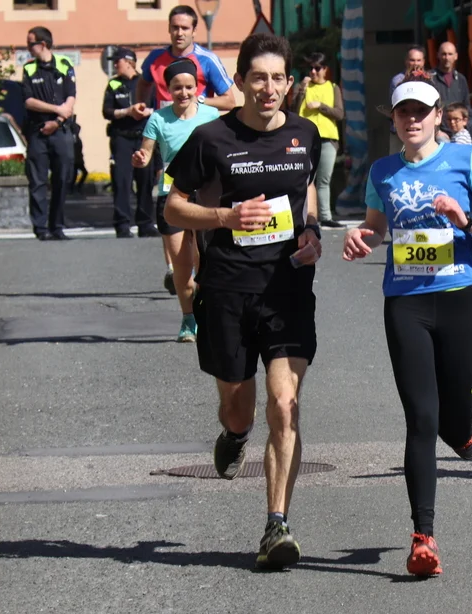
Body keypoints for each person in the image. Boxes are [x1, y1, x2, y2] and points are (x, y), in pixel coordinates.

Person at [163, 34, 324, 570]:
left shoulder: (304, 134)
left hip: (287, 288)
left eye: (278, 78)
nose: (269, 88)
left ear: (289, 84)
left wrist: (312, 230)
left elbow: (307, 188)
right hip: (227, 289)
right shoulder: (211, 138)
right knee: (240, 406)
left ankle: (277, 524)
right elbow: (173, 209)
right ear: (241, 82)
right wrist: (225, 217)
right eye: (259, 78)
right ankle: (235, 434)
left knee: (285, 403)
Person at [342, 76, 472, 577]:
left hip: (458, 300)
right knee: (421, 418)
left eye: (421, 111)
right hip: (406, 304)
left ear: (439, 115)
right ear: (393, 120)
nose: (412, 120)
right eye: (403, 113)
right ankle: (423, 536)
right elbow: (377, 228)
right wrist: (361, 238)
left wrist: (465, 221)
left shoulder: (467, 159)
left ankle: (464, 432)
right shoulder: (383, 171)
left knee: (454, 419)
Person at [133, 59, 220, 343]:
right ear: (168, 89)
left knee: (205, 261)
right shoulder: (158, 119)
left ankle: (208, 313)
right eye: (177, 88)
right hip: (171, 196)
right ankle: (188, 318)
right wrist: (141, 159)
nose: (184, 92)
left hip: (204, 195)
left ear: (197, 88)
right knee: (182, 265)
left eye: (189, 87)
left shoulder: (211, 115)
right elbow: (146, 153)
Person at [21, 26, 76, 242]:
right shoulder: (29, 69)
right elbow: (28, 101)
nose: (28, 48)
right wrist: (56, 110)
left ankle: (57, 226)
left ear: (43, 44)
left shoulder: (64, 64)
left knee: (62, 179)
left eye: (30, 43)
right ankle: (41, 228)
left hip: (61, 130)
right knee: (38, 182)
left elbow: (71, 96)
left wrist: (58, 120)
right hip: (38, 132)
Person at [103, 47, 157, 239]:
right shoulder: (113, 84)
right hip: (122, 139)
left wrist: (146, 112)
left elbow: (159, 108)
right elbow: (107, 112)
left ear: (129, 62)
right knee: (121, 181)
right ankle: (122, 225)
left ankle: (145, 223)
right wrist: (127, 112)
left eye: (117, 61)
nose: (114, 65)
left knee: (145, 181)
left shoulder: (147, 83)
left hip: (144, 138)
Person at [137, 5, 235, 111]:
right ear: (169, 28)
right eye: (175, 27)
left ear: (194, 31)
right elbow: (143, 84)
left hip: (197, 121)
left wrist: (198, 101)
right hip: (163, 121)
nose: (179, 33)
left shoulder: (208, 60)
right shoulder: (155, 57)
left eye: (185, 28)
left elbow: (230, 102)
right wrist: (142, 106)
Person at [290, 52, 344, 228]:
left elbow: (339, 114)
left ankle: (325, 216)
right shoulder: (302, 86)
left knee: (324, 180)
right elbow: (292, 110)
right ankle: (304, 215)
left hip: (328, 138)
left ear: (325, 69)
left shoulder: (333, 87)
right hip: (305, 138)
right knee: (304, 178)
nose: (313, 72)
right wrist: (302, 90)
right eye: (311, 68)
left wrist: (320, 106)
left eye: (317, 68)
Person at [430, 42, 472, 143]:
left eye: (450, 54)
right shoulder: (430, 78)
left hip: (458, 131)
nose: (447, 57)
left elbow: (466, 107)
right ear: (438, 55)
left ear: (456, 56)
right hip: (439, 132)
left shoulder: (461, 79)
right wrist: (437, 131)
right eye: (444, 54)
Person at [389, 46, 426, 154]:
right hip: (401, 131)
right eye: (412, 60)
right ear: (406, 61)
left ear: (423, 62)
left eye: (419, 60)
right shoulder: (397, 81)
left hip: (423, 130)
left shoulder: (429, 79)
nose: (415, 64)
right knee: (397, 161)